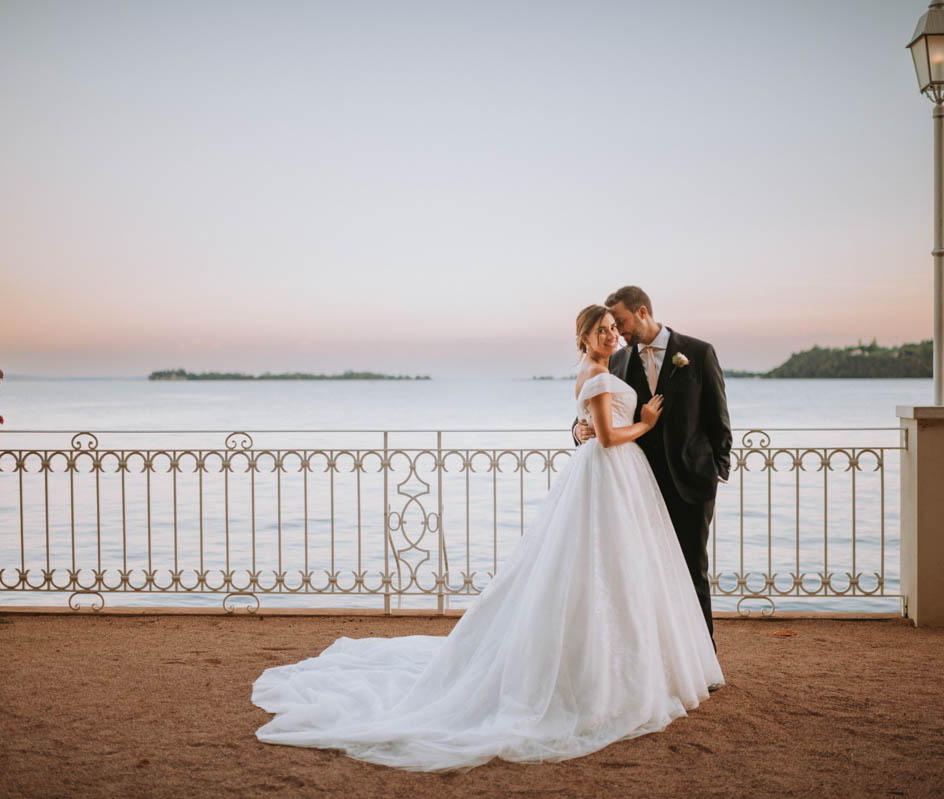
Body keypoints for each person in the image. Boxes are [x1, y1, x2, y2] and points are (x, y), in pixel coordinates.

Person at [252, 305, 722, 772]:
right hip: (611, 469)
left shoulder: (613, 365)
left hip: (624, 479)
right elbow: (601, 432)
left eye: (613, 329)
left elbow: (601, 418)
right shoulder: (601, 372)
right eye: (602, 330)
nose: (612, 335)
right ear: (584, 338)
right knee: (601, 567)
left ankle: (629, 667)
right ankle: (600, 678)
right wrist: (644, 423)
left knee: (613, 570)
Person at [575, 286, 732, 644]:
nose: (619, 332)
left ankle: (702, 656)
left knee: (692, 569)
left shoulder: (697, 352)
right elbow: (595, 413)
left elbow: (718, 418)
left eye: (622, 323)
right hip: (635, 484)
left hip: (690, 482)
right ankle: (661, 659)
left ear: (643, 312)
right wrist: (578, 430)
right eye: (611, 326)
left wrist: (716, 471)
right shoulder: (615, 360)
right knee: (644, 572)